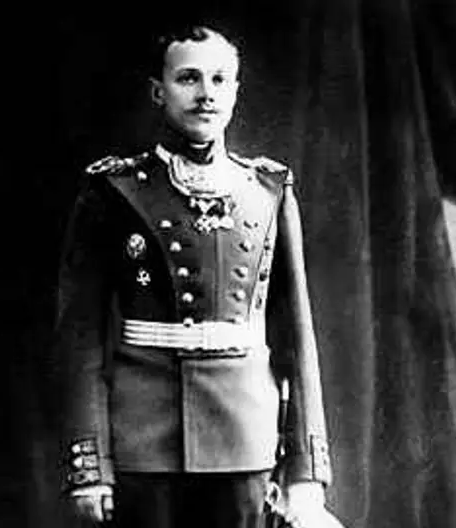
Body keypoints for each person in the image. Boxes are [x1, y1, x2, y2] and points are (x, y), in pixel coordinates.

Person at [55, 24, 333, 528]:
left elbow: (297, 336)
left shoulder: (268, 191)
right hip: (144, 437)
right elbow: (80, 340)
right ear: (158, 92)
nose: (207, 94)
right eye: (189, 78)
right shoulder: (115, 191)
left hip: (245, 435)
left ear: (236, 91)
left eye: (220, 80)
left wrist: (306, 470)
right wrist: (89, 467)